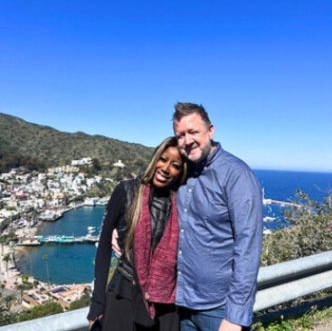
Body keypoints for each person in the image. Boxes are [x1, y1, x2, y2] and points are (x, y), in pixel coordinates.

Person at [172, 102, 263, 331]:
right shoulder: (179, 171)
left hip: (219, 308)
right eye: (181, 135)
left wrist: (236, 316)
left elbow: (248, 245)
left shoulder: (236, 175)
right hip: (181, 303)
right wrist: (119, 226)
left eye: (193, 132)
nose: (187, 140)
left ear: (210, 131)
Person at [88, 136, 188, 331]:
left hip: (165, 303)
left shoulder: (182, 203)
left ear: (180, 172)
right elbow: (103, 249)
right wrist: (97, 303)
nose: (166, 168)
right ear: (154, 158)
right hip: (123, 293)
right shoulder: (126, 192)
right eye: (163, 159)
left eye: (175, 165)